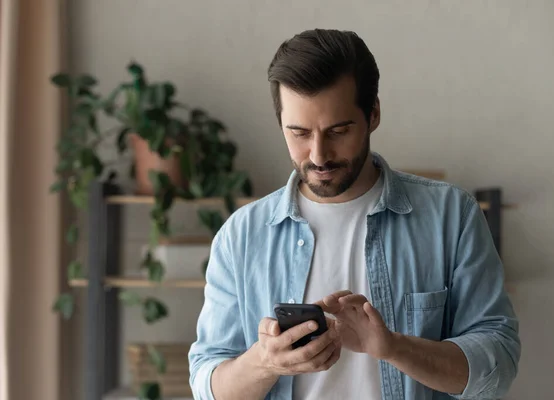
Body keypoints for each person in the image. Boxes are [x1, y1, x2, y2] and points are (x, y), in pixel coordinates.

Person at [188, 28, 520, 400]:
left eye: (338, 131)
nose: (318, 155)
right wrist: (265, 362)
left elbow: (499, 366)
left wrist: (394, 348)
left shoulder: (451, 217)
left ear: (373, 113)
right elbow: (208, 385)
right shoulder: (241, 235)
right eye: (298, 133)